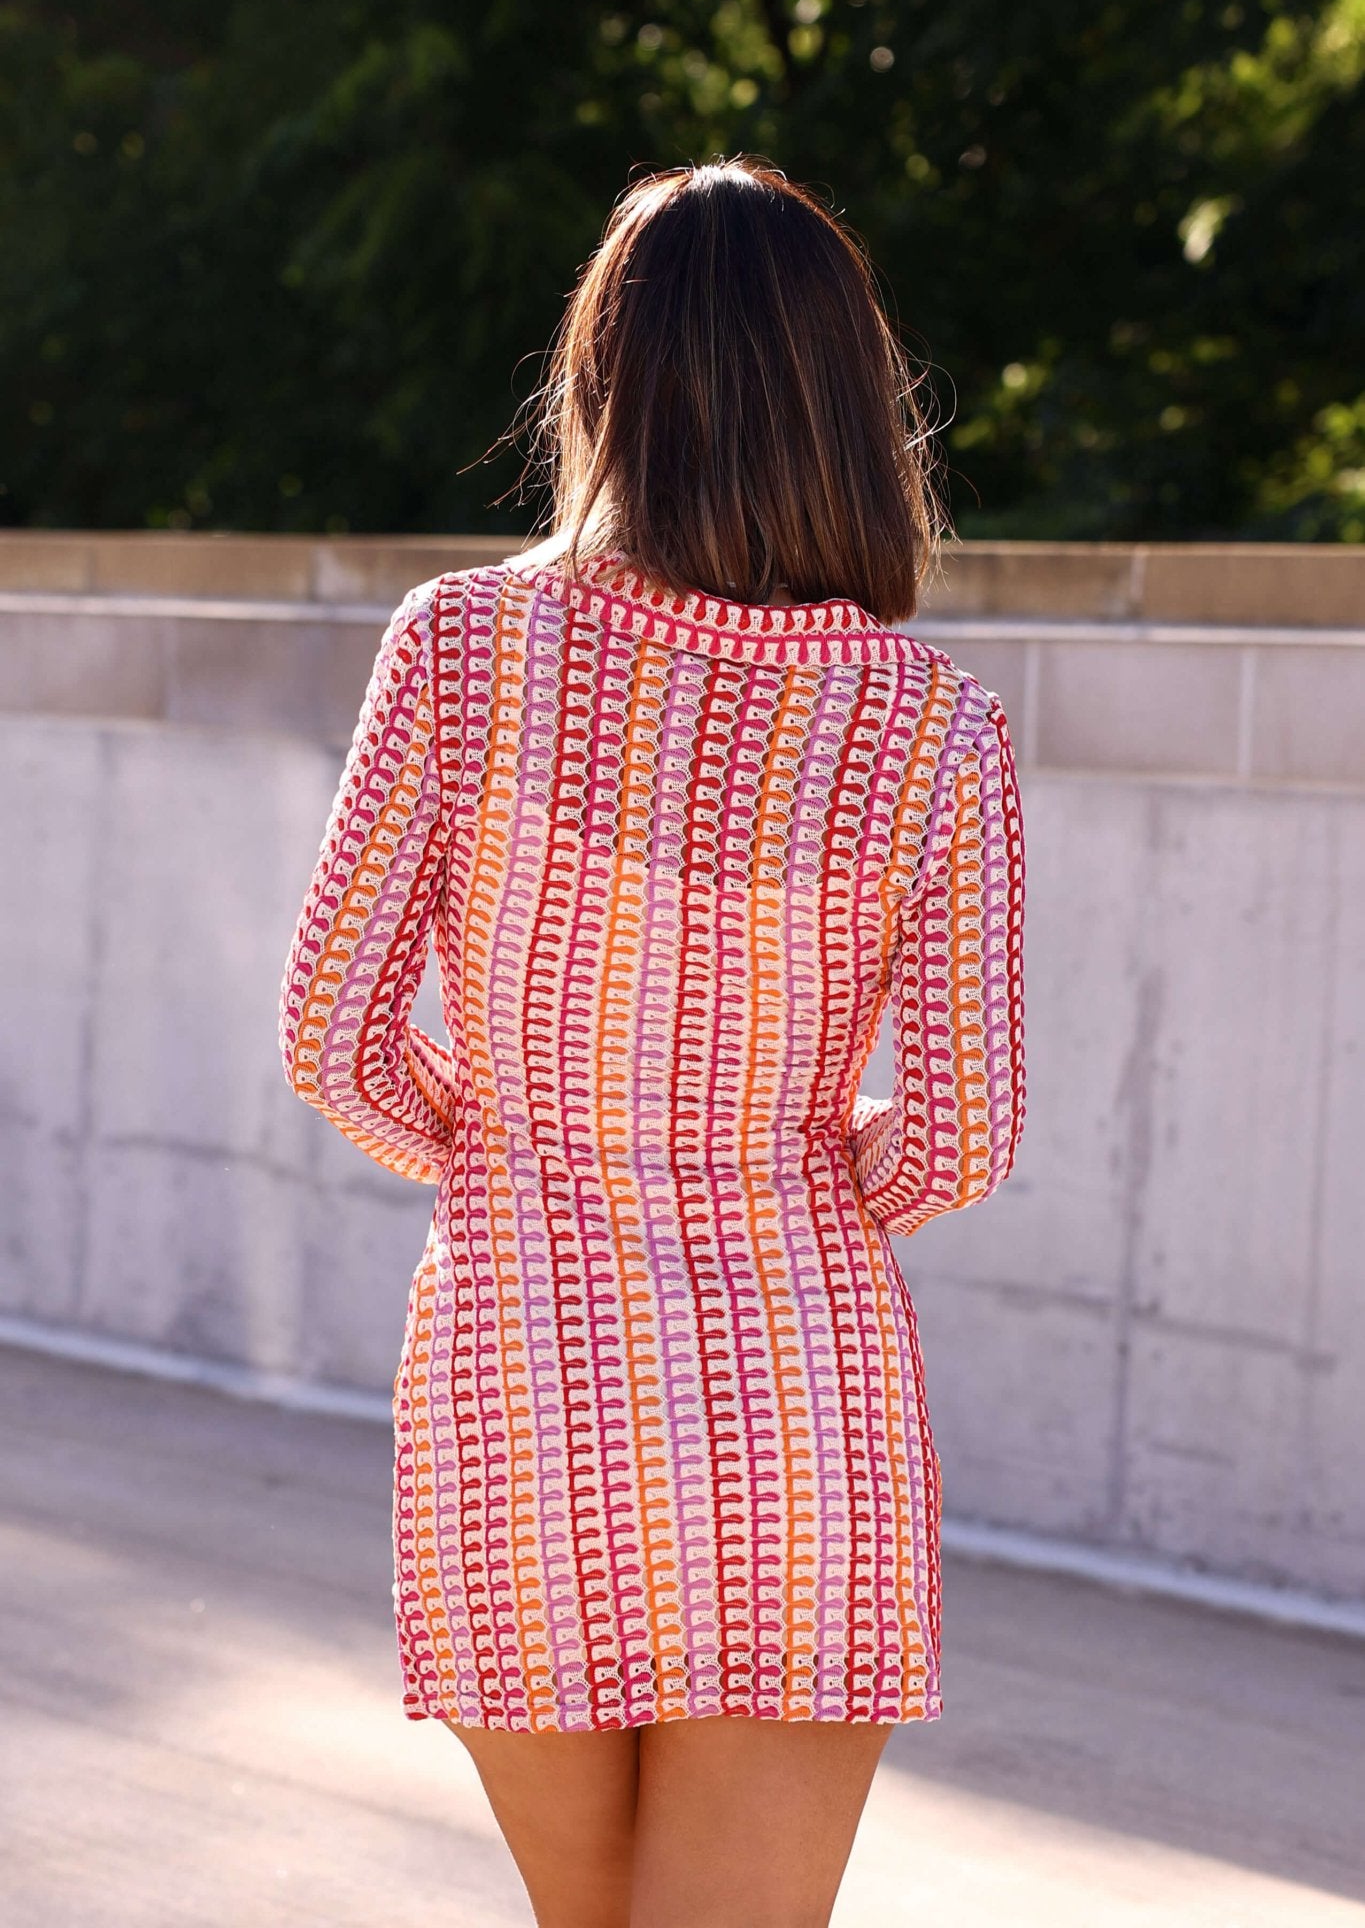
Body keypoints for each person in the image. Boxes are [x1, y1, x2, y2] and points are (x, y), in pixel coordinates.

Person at [278, 155, 1025, 1928]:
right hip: (802, 1389)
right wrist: (777, 1180)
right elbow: (962, 1137)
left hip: (518, 1379)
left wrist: (520, 1147)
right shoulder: (930, 724)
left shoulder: (461, 648)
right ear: (857, 402)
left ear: (598, 384)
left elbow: (335, 1035)